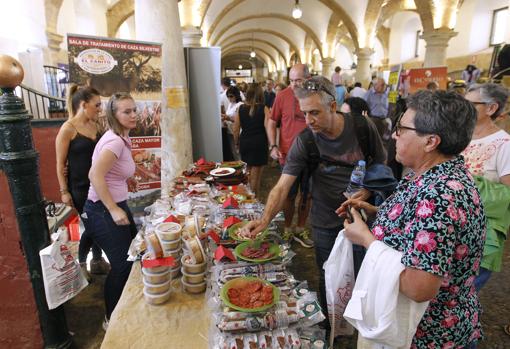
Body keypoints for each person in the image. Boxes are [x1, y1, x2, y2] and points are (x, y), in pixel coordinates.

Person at [338, 90, 484, 348]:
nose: (394, 135)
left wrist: (367, 239)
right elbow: (419, 229)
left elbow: (419, 288)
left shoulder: (440, 195)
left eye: (401, 128)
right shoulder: (431, 175)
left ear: (430, 141)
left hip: (427, 333)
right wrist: (379, 214)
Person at [242, 76, 386, 322]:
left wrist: (369, 191)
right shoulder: (305, 140)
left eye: (314, 113)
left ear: (333, 106)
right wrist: (265, 220)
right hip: (324, 219)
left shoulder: (362, 127)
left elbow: (380, 165)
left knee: (364, 272)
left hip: (363, 218)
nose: (308, 121)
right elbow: (282, 186)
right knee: (328, 274)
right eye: (304, 113)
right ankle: (333, 324)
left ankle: (361, 322)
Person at [81, 92, 138, 329]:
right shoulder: (114, 140)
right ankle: (111, 320)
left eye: (134, 110)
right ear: (114, 115)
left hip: (113, 205)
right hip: (102, 210)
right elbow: (94, 175)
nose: (134, 115)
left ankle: (126, 307)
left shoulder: (120, 136)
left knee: (135, 254)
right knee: (123, 264)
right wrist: (114, 208)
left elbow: (113, 170)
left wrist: (129, 179)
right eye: (127, 111)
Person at [55, 85, 109, 280]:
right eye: (97, 105)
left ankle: (97, 260)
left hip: (100, 187)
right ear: (83, 105)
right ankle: (82, 263)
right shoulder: (67, 129)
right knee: (92, 226)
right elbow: (60, 164)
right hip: (79, 190)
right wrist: (64, 191)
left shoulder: (97, 126)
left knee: (99, 224)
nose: (100, 109)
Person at [462, 83, 510, 291]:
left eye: (470, 104)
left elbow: (507, 193)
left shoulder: (504, 144)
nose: (463, 108)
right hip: (454, 225)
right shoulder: (460, 136)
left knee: (463, 293)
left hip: (482, 231)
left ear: (491, 108)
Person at [266, 63, 314, 247]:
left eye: (298, 81)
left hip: (312, 155)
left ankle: (301, 228)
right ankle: (287, 229)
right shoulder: (282, 95)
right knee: (288, 194)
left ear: (308, 79)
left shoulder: (315, 96)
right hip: (288, 155)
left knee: (307, 194)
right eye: (291, 80)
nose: (293, 85)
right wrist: (273, 146)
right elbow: (272, 122)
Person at [233, 83, 270, 195]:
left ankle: (248, 200)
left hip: (245, 142)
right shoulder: (264, 108)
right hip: (259, 143)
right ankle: (254, 202)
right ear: (260, 94)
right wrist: (271, 144)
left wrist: (236, 143)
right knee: (256, 177)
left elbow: (235, 129)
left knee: (247, 174)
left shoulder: (240, 108)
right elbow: (268, 128)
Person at [365, 78, 392, 144]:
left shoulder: (385, 94)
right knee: (374, 140)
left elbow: (387, 106)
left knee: (383, 141)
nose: (384, 86)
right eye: (382, 85)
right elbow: (364, 107)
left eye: (384, 85)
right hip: (373, 119)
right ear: (375, 85)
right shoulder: (369, 94)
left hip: (384, 120)